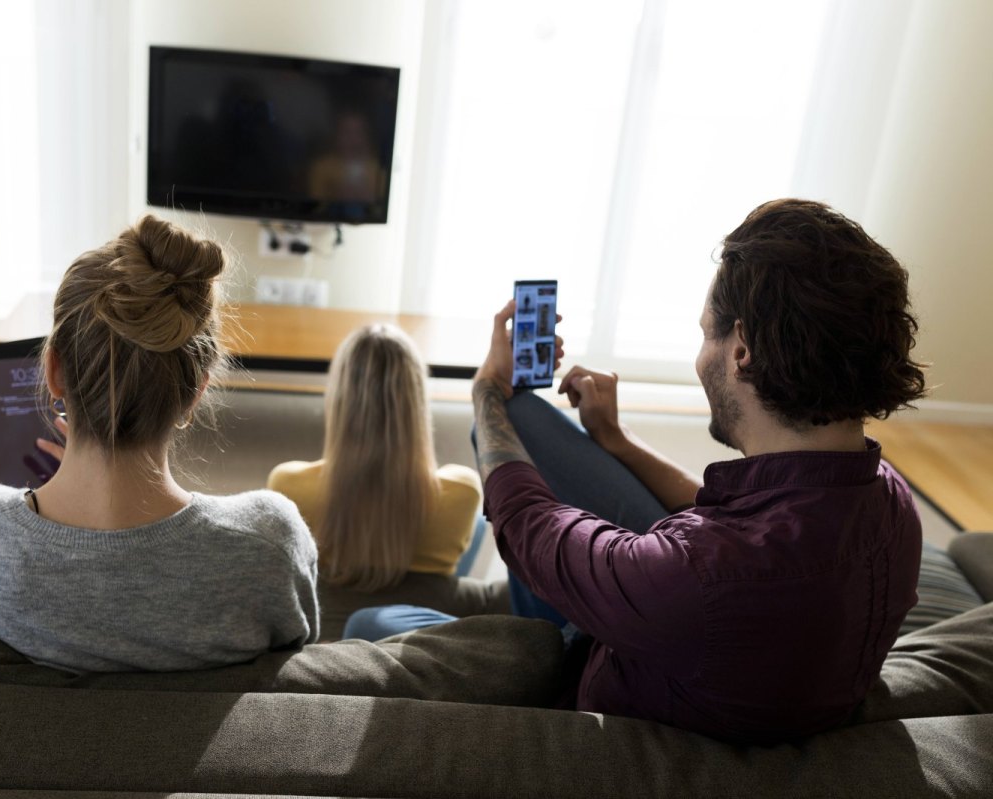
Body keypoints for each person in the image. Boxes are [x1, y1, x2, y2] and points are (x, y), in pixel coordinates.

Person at [348, 199, 927, 744]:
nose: (701, 355)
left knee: (372, 619)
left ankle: (529, 628)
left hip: (601, 655)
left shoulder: (696, 576)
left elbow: (529, 525)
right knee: (526, 415)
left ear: (742, 348)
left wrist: (485, 395)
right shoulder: (889, 499)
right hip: (685, 635)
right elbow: (725, 515)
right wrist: (615, 442)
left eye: (707, 333)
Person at [0, 215, 319, 672]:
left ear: (53, 372)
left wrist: (80, 478)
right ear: (197, 391)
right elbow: (295, 650)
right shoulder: (268, 541)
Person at [267, 324, 482, 592]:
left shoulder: (287, 486)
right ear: (416, 400)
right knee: (479, 523)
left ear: (339, 396)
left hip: (329, 617)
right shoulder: (463, 491)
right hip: (417, 617)